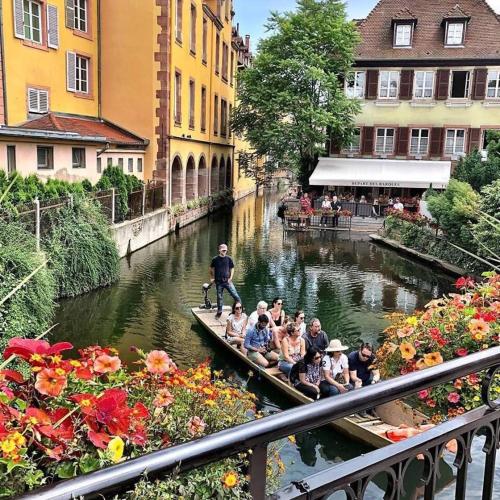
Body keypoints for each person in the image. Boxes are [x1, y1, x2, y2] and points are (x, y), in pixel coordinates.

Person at [209, 243, 241, 320]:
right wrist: (212, 277)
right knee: (219, 298)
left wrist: (231, 277)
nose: (224, 252)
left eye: (225, 250)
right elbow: (210, 268)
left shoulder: (229, 259)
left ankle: (238, 311)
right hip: (219, 282)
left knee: (236, 296)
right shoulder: (215, 259)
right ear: (219, 250)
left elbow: (232, 268)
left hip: (228, 281)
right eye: (223, 250)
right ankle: (219, 312)